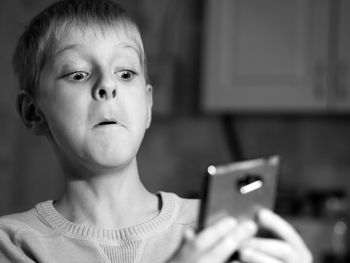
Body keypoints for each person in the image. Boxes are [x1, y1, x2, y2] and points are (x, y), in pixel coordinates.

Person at [0, 0, 312, 262]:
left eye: (125, 73)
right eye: (78, 74)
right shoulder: (14, 243)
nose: (107, 85)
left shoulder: (216, 229)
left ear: (147, 104)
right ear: (33, 112)